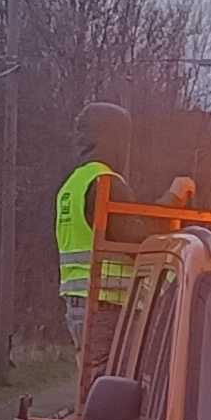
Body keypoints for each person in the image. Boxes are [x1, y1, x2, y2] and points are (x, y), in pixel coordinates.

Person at [52, 103, 135, 347]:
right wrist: (173, 201)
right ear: (110, 137)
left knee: (93, 379)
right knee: (113, 382)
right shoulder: (107, 183)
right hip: (106, 306)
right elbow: (137, 239)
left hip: (79, 304)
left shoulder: (72, 185)